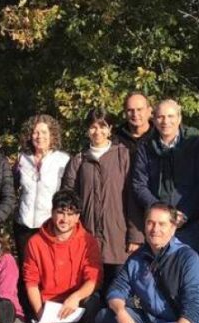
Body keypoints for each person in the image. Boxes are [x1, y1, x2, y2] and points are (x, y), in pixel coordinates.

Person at [95, 203, 199, 323]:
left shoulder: (188, 258)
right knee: (106, 317)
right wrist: (120, 312)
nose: (155, 229)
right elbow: (116, 289)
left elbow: (193, 309)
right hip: (151, 322)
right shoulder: (137, 258)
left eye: (162, 224)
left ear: (173, 227)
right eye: (150, 223)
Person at [61, 108, 143, 288]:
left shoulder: (123, 155)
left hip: (118, 237)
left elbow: (133, 197)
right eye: (93, 127)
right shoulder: (79, 160)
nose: (98, 132)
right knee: (91, 289)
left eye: (102, 126)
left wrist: (135, 235)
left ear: (110, 128)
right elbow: (68, 199)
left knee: (119, 291)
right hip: (87, 236)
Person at [23, 190, 102, 323]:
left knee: (94, 301)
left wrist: (76, 297)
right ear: (52, 212)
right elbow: (31, 283)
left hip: (75, 303)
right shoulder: (35, 242)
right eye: (60, 212)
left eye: (70, 214)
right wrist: (41, 315)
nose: (64, 219)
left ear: (78, 216)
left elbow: (93, 279)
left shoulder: (88, 241)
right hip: (48, 304)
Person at [132, 99, 199, 251]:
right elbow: (139, 185)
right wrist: (160, 212)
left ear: (179, 118)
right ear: (154, 119)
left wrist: (185, 213)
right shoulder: (145, 146)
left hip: (192, 223)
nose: (165, 121)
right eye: (161, 117)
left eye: (170, 116)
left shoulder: (194, 143)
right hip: (158, 225)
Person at [13, 114, 69, 264]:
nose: (40, 136)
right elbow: (13, 187)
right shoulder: (22, 159)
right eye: (36, 132)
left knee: (47, 269)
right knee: (26, 271)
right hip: (24, 225)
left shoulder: (63, 160)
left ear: (52, 135)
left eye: (44, 132)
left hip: (49, 226)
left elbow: (67, 194)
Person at [113, 92, 153, 158]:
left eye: (139, 109)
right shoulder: (116, 137)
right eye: (130, 110)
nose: (135, 114)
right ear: (125, 113)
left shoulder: (160, 135)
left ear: (149, 111)